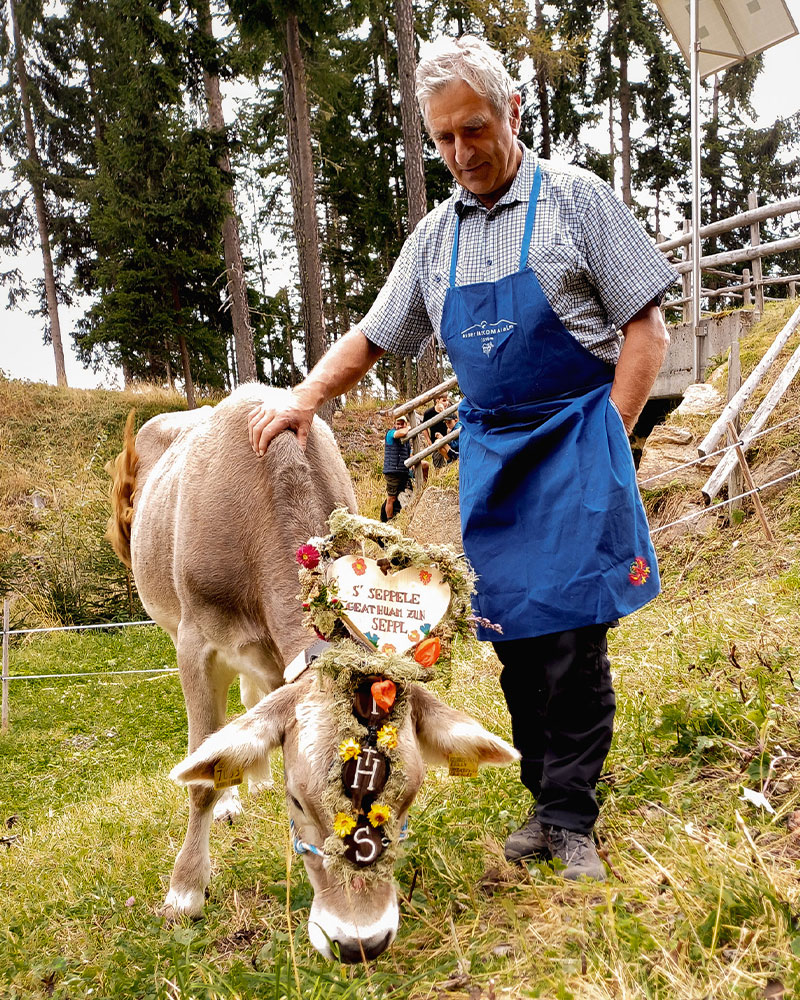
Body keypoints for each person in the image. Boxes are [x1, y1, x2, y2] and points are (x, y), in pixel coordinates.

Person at [248, 35, 677, 882]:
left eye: (474, 130)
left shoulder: (577, 201)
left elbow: (645, 327)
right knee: (516, 640)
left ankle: (570, 814)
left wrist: (613, 438)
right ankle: (544, 800)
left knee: (573, 643)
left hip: (578, 440)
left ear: (512, 111)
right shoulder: (433, 239)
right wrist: (303, 398)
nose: (460, 153)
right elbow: (373, 335)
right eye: (441, 138)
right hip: (495, 459)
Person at [382, 414, 413, 520]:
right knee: (391, 498)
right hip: (392, 471)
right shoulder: (391, 434)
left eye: (402, 423)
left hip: (403, 471)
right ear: (394, 425)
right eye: (398, 424)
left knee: (405, 494)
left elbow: (409, 453)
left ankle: (401, 518)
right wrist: (408, 427)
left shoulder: (406, 439)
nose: (400, 426)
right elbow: (402, 432)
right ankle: (389, 521)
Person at [423, 394, 452, 468]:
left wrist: (443, 411)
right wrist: (428, 440)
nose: (446, 403)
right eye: (444, 400)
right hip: (435, 443)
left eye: (447, 401)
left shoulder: (449, 411)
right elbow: (424, 428)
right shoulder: (428, 413)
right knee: (438, 465)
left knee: (451, 463)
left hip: (449, 442)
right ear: (437, 401)